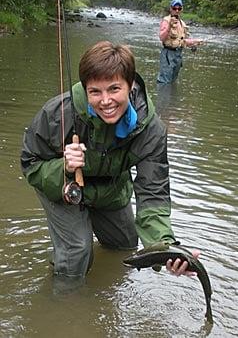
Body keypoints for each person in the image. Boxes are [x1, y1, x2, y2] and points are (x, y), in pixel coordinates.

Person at [21, 41, 199, 288]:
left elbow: (153, 191)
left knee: (125, 245)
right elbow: (30, 163)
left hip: (111, 190)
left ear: (130, 85)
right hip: (63, 188)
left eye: (114, 89)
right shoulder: (57, 114)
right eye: (95, 91)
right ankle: (65, 303)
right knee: (77, 253)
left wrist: (166, 248)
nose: (105, 101)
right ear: (85, 89)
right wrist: (63, 166)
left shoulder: (151, 130)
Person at [157, 0, 203, 84]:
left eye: (179, 8)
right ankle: (163, 97)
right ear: (171, 9)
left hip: (178, 55)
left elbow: (183, 41)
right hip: (168, 54)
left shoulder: (182, 23)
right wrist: (169, 26)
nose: (177, 10)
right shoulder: (166, 21)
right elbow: (161, 38)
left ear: (182, 9)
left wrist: (195, 42)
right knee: (164, 82)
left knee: (173, 81)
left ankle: (171, 97)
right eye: (175, 8)